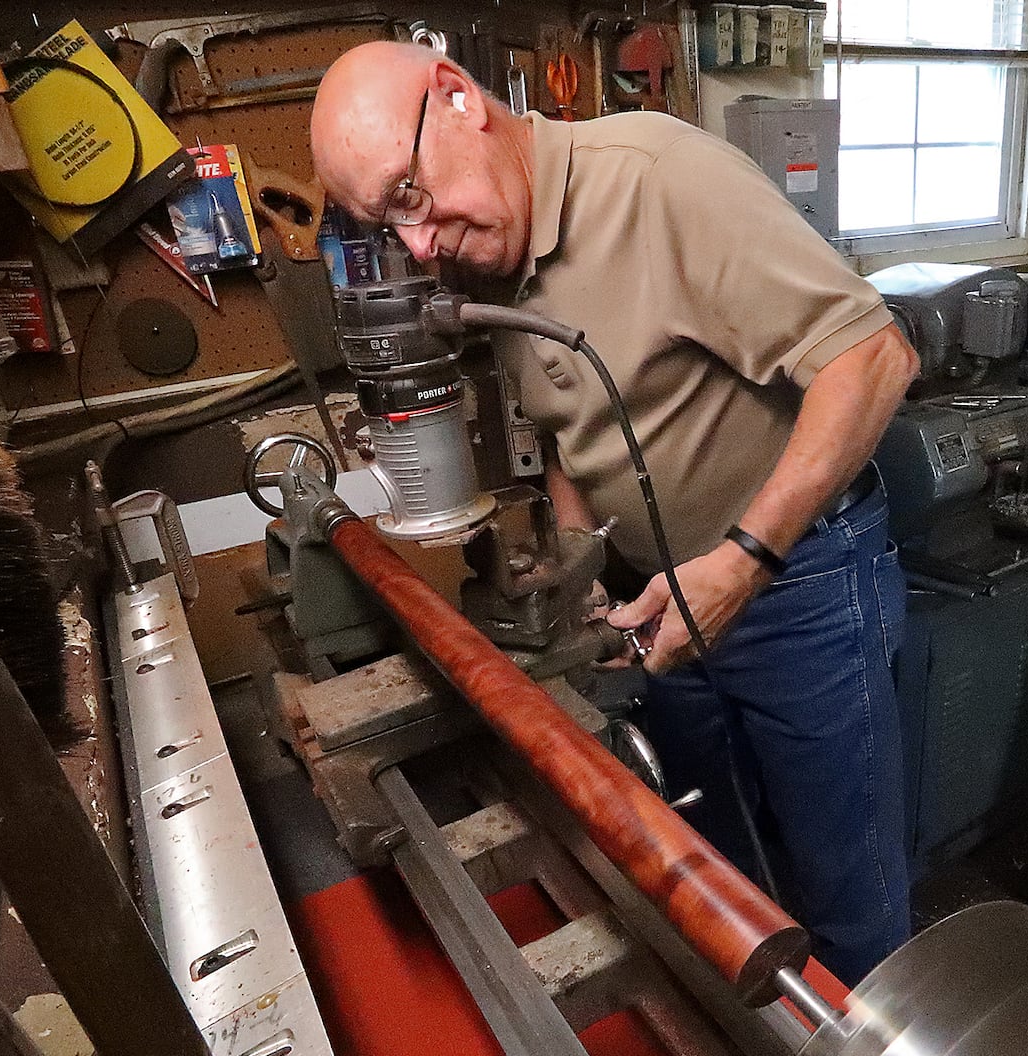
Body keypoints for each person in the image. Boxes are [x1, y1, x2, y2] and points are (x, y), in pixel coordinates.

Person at [311, 41, 919, 983]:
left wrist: (747, 559)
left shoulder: (655, 180)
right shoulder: (490, 256)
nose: (419, 244)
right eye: (386, 224)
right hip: (661, 603)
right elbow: (574, 430)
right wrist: (573, 571)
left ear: (457, 98)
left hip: (800, 584)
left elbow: (872, 358)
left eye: (407, 195)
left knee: (846, 894)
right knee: (719, 880)